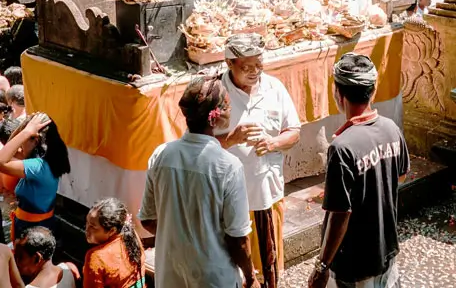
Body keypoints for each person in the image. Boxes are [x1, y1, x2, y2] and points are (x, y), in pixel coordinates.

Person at [138, 75, 259, 288]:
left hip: (170, 275)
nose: (231, 111)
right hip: (213, 277)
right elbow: (238, 239)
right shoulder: (228, 166)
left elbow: (147, 219)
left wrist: (179, 233)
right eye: (228, 106)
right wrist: (250, 277)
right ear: (214, 118)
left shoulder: (161, 155)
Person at [308, 53, 410, 288]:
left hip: (354, 263)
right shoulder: (391, 129)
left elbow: (340, 214)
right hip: (386, 252)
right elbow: (401, 175)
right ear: (373, 92)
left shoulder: (342, 148)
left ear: (338, 94)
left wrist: (322, 266)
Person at [217, 33, 301, 288]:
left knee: (268, 263)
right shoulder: (215, 93)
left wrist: (274, 143)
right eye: (247, 67)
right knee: (232, 266)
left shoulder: (274, 87)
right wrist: (231, 139)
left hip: (267, 193)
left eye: (259, 65)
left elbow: (294, 132)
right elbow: (196, 143)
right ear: (230, 63)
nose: (255, 72)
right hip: (228, 199)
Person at [0, 114, 70, 242]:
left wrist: (27, 131)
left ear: (35, 140)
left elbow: (1, 162)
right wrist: (24, 130)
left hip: (33, 230)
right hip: (36, 225)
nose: (20, 146)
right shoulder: (44, 161)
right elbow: (10, 151)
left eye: (24, 140)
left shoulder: (38, 167)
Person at [83, 198, 145, 288]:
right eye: (87, 222)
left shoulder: (96, 257)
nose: (87, 229)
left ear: (112, 230)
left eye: (93, 226)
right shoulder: (133, 237)